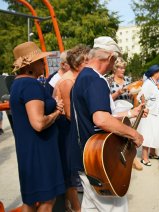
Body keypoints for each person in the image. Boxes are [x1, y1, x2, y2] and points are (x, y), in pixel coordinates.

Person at [69, 36, 144, 211]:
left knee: (90, 206)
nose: (113, 65)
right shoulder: (96, 80)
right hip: (98, 161)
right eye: (114, 61)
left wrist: (131, 113)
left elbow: (100, 114)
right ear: (110, 57)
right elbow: (101, 119)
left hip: (87, 158)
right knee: (115, 207)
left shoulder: (82, 77)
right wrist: (134, 134)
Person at [10, 41, 65, 211]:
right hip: (40, 151)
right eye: (41, 60)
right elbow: (39, 123)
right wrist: (57, 112)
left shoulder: (18, 84)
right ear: (31, 66)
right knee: (47, 201)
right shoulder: (30, 85)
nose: (44, 63)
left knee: (31, 201)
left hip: (29, 149)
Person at [53, 44, 90, 212]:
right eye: (88, 61)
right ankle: (76, 208)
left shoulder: (74, 78)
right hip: (65, 130)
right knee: (70, 171)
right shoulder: (68, 81)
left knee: (71, 171)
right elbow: (69, 114)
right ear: (80, 62)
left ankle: (71, 206)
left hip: (68, 128)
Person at [138, 64, 159, 166]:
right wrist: (145, 108)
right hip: (150, 113)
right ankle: (144, 158)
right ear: (154, 73)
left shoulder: (156, 83)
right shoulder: (148, 83)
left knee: (156, 134)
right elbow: (141, 96)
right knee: (148, 134)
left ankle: (153, 153)